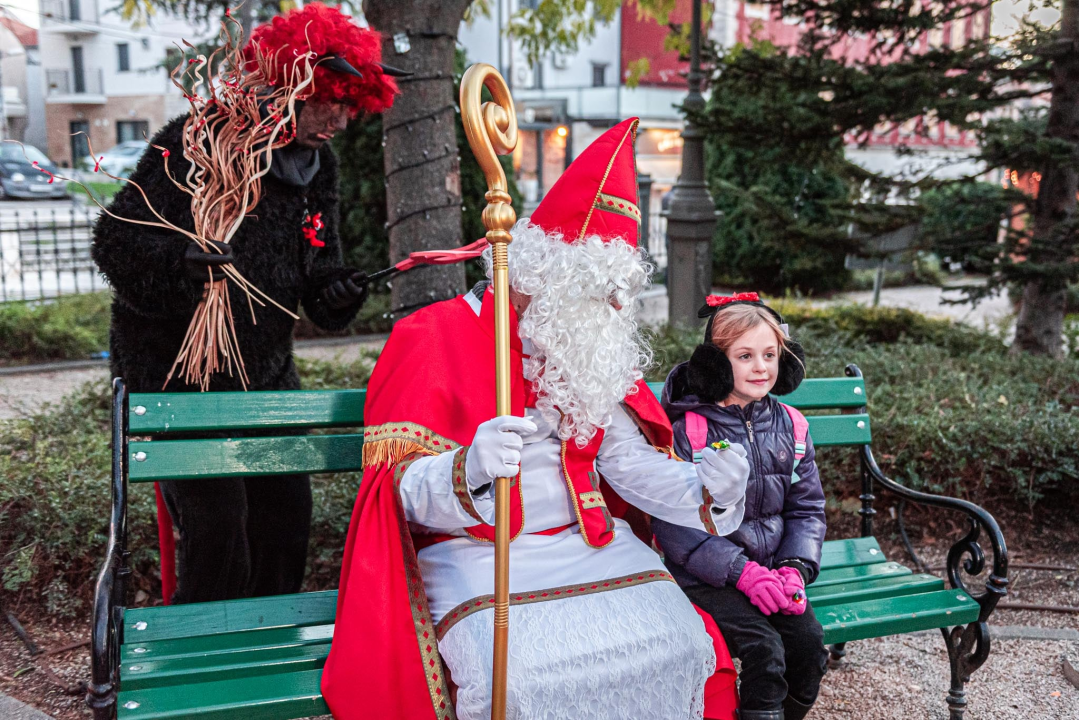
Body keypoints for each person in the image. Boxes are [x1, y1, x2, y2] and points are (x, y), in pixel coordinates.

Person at [322, 118, 749, 720]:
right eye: (600, 292)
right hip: (477, 553)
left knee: (683, 645)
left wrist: (707, 490)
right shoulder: (432, 337)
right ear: (548, 277)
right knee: (516, 685)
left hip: (591, 545)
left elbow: (626, 462)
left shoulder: (585, 343)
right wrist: (466, 468)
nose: (614, 310)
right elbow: (397, 497)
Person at [90, 3, 403, 604]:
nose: (339, 117)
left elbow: (319, 266)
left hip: (264, 375)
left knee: (287, 515)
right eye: (328, 99)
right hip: (176, 376)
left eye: (350, 103)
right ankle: (198, 662)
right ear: (288, 86)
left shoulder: (318, 166)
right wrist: (179, 266)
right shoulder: (192, 141)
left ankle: (267, 648)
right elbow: (115, 242)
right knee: (218, 530)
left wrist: (335, 291)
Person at [653, 293, 829, 720]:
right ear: (714, 363)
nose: (761, 367)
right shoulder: (689, 433)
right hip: (708, 578)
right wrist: (741, 572)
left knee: (808, 648)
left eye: (770, 354)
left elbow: (807, 510)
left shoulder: (792, 426)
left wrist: (794, 567)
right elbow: (676, 526)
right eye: (745, 355)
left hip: (774, 573)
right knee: (765, 652)